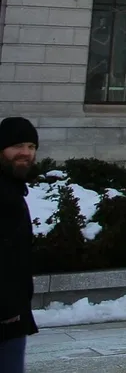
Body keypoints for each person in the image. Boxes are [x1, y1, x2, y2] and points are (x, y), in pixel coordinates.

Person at [0, 118, 38, 373]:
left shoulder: (12, 189)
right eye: (17, 145)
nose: (26, 152)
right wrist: (8, 306)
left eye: (31, 146)